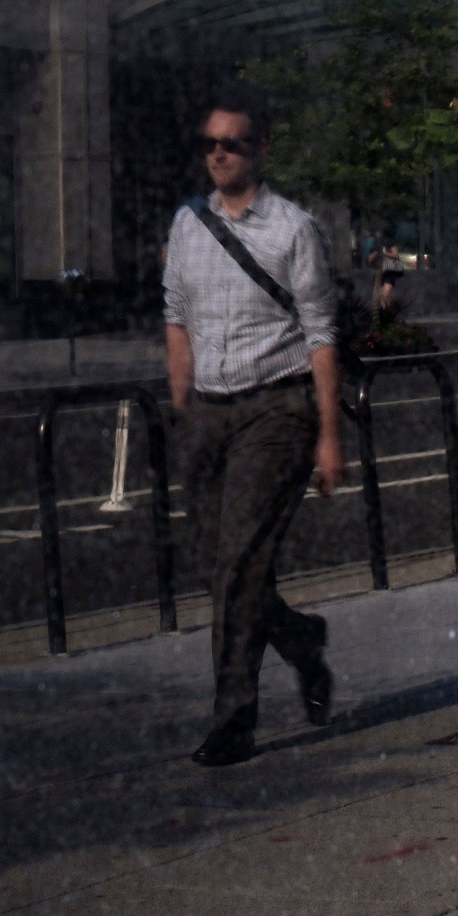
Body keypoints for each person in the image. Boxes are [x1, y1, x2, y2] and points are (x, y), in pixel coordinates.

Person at [163, 97, 346, 768]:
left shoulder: (294, 229)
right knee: (218, 567)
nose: (219, 153)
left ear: (257, 150)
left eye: (232, 144)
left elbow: (322, 333)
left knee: (240, 563)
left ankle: (234, 719)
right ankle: (299, 640)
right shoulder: (187, 224)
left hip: (276, 409)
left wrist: (329, 435)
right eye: (210, 143)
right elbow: (176, 316)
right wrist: (182, 409)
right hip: (209, 412)